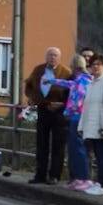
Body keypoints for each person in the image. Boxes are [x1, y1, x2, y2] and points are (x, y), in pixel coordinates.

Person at [25, 47, 72, 184]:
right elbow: (28, 85)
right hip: (43, 108)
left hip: (59, 112)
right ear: (46, 57)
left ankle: (54, 175)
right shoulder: (38, 70)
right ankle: (40, 174)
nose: (53, 58)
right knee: (41, 143)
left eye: (55, 55)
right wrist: (32, 97)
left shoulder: (65, 72)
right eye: (50, 55)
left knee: (58, 145)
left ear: (59, 57)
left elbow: (71, 93)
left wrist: (62, 103)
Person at [50, 55, 93, 190]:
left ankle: (83, 177)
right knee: (74, 148)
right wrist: (52, 81)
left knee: (78, 148)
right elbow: (67, 83)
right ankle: (79, 177)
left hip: (77, 116)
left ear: (74, 67)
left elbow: (78, 97)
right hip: (76, 116)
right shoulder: (81, 79)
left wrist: (69, 111)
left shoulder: (82, 80)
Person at [78, 53, 103, 196]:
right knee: (98, 156)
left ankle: (102, 184)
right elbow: (86, 107)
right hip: (92, 127)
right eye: (93, 64)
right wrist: (82, 126)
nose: (95, 67)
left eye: (98, 64)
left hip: (102, 128)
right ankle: (97, 182)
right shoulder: (92, 84)